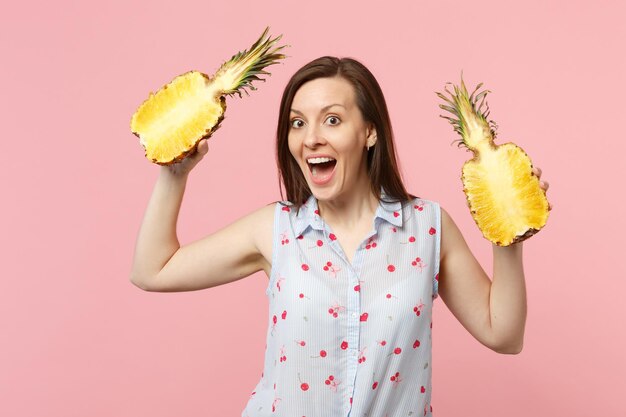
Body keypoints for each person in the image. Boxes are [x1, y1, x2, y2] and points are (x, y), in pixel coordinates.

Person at [130, 56, 550, 417]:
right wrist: (175, 172)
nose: (311, 137)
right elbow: (153, 270)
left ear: (370, 132)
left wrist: (507, 233)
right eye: (297, 123)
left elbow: (505, 335)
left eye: (332, 119)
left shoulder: (427, 227)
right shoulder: (275, 230)